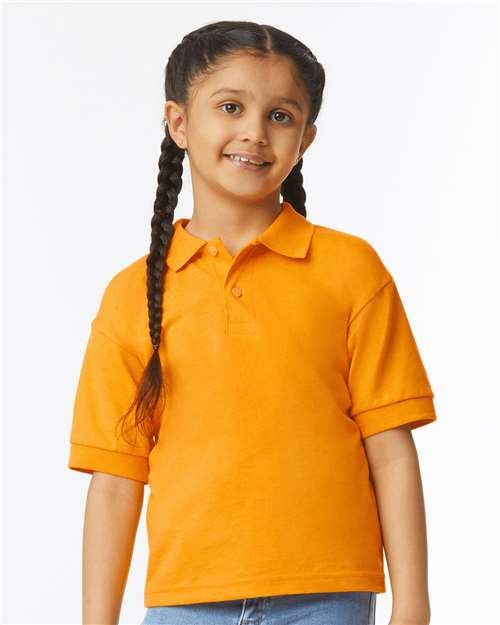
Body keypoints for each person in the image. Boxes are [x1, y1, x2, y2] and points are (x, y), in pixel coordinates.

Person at [68, 20, 437, 625]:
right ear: (178, 122)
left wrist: (413, 604)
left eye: (280, 116)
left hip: (328, 598)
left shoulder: (351, 270)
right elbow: (114, 480)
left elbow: (391, 450)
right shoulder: (132, 294)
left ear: (305, 139)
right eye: (230, 107)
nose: (255, 133)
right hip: (186, 604)